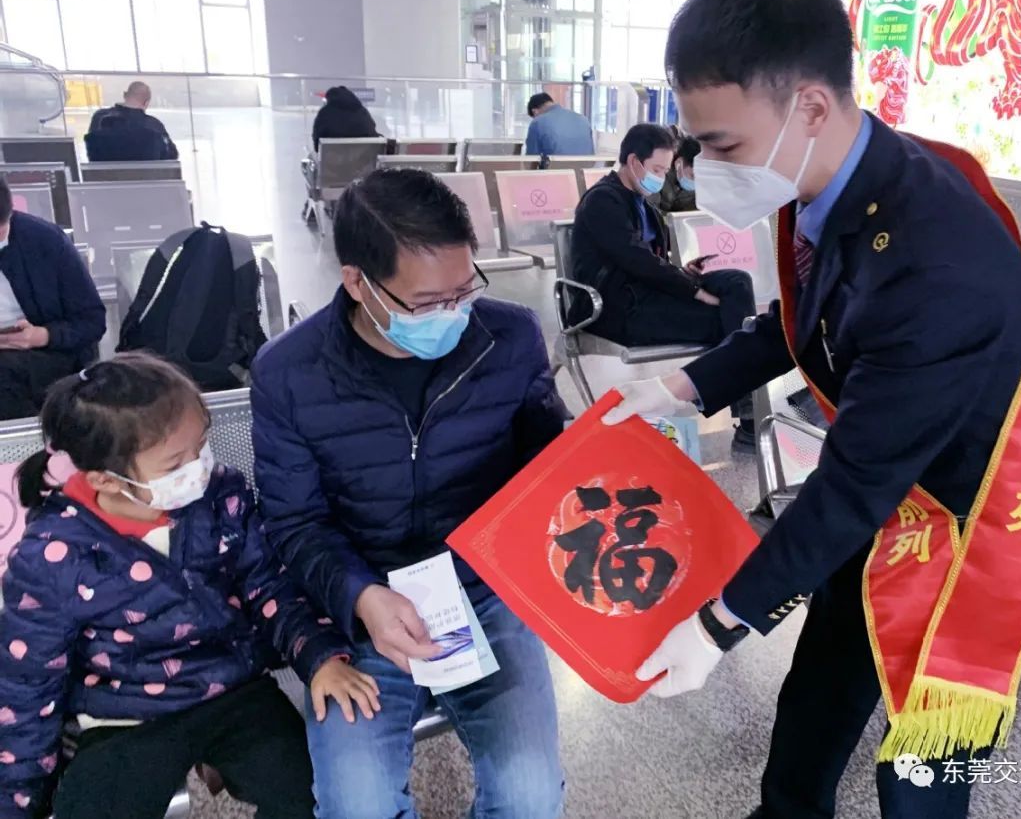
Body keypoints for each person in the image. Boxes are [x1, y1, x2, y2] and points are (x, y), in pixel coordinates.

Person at [607, 0, 1021, 819]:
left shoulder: (939, 261)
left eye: (721, 145)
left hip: (970, 528)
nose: (706, 171)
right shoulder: (831, 176)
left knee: (919, 771)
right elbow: (804, 319)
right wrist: (679, 388)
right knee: (817, 702)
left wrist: (719, 624)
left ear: (811, 107)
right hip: (888, 503)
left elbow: (855, 483)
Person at [251, 168, 567, 819]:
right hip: (358, 611)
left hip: (484, 594)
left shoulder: (509, 338)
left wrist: (589, 448)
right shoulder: (289, 373)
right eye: (426, 303)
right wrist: (361, 597)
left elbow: (547, 470)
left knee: (531, 797)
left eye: (464, 290)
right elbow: (294, 522)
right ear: (357, 282)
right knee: (356, 805)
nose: (452, 314)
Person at [0, 353, 378, 819]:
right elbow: (28, 681)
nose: (198, 466)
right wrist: (16, 802)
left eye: (201, 446)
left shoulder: (221, 495)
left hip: (235, 688)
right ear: (105, 480)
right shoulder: (53, 555)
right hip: (125, 713)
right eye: (176, 462)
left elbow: (269, 586)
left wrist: (319, 656)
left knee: (318, 797)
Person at [571, 123, 756, 449]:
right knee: (729, 321)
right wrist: (693, 290)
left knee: (738, 283)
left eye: (665, 170)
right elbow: (635, 260)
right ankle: (750, 416)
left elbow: (651, 263)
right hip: (617, 308)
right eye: (657, 169)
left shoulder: (644, 205)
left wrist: (684, 272)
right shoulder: (603, 202)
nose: (661, 177)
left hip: (648, 295)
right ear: (633, 162)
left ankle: (748, 406)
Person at [0, 179, 106, 421]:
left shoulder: (45, 240)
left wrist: (42, 336)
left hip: (47, 352)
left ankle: (28, 443)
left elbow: (92, 321)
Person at [87, 81, 179, 161]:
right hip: (146, 176)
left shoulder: (99, 117)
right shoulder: (154, 125)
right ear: (146, 103)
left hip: (105, 176)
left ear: (124, 95)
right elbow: (172, 156)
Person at [312, 86, 381, 152]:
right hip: (365, 158)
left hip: (332, 158)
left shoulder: (324, 113)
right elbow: (373, 134)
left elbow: (317, 146)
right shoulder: (363, 112)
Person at [525, 92, 594, 157]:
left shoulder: (537, 122)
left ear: (535, 111)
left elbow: (531, 159)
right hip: (586, 165)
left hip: (555, 166)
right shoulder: (583, 119)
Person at [657, 133, 700, 213]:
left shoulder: (703, 186)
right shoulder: (657, 173)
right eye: (692, 176)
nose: (696, 182)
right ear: (679, 163)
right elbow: (649, 209)